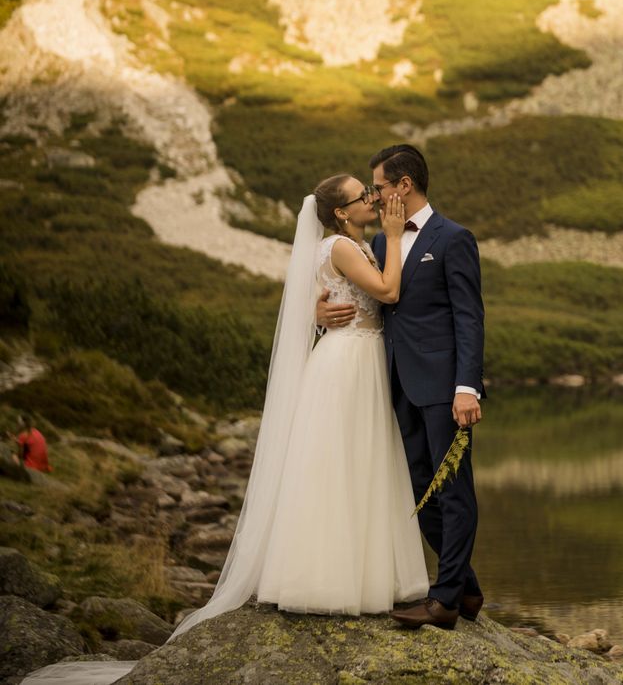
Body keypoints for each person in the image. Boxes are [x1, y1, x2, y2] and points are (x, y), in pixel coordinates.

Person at [21, 175, 428, 685]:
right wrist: (393, 235)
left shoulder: (353, 245)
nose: (372, 198)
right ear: (341, 213)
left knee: (358, 465)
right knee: (339, 467)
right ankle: (330, 580)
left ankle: (364, 577)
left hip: (357, 359)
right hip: (347, 364)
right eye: (362, 195)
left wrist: (319, 307)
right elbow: (387, 290)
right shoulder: (344, 246)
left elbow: (324, 300)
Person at [316, 144, 486, 631]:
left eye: (380, 187)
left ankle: (445, 600)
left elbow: (469, 318)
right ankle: (467, 589)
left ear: (404, 186)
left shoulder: (453, 238)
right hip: (395, 382)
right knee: (419, 489)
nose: (374, 196)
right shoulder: (380, 241)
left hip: (444, 387)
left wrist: (467, 387)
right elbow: (364, 296)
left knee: (452, 488)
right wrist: (317, 310)